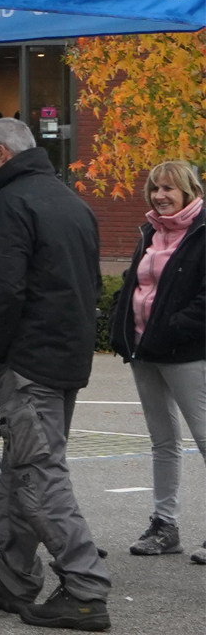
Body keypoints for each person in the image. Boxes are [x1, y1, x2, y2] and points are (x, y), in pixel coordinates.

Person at [0, 117, 110, 629]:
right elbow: (90, 284)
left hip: (29, 360)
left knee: (36, 473)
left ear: (2, 154)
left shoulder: (10, 203)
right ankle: (14, 577)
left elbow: (2, 289)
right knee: (21, 467)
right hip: (65, 355)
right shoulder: (69, 201)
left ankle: (85, 587)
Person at [109, 160, 206, 563]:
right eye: (154, 188)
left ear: (189, 191)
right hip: (144, 350)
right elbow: (135, 283)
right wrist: (120, 320)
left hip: (187, 353)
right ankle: (165, 526)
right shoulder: (150, 232)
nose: (160, 196)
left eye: (168, 188)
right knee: (163, 441)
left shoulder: (201, 232)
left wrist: (171, 329)